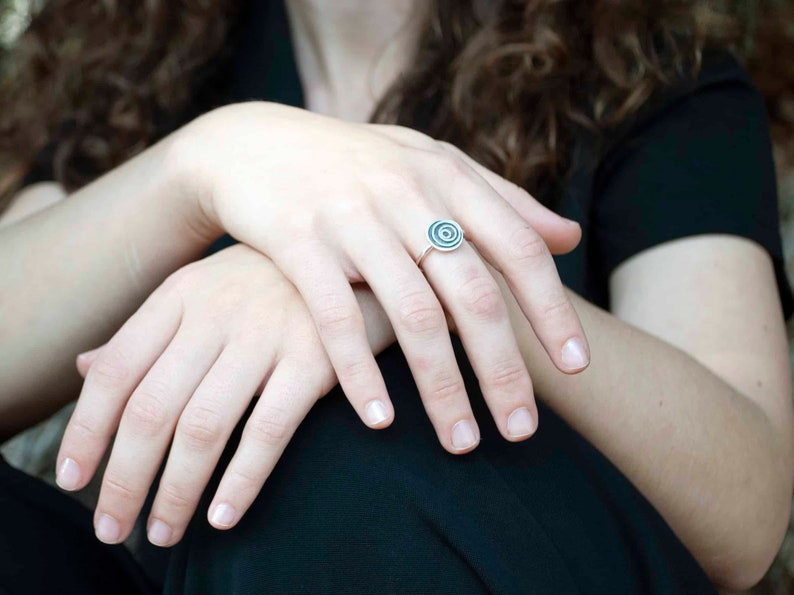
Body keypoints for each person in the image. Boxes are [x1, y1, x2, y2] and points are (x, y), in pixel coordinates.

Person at [0, 0, 792, 592]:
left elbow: (748, 511)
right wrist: (205, 162)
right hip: (174, 568)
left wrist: (436, 276)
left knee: (347, 452)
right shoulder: (140, 66)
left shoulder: (648, 76)